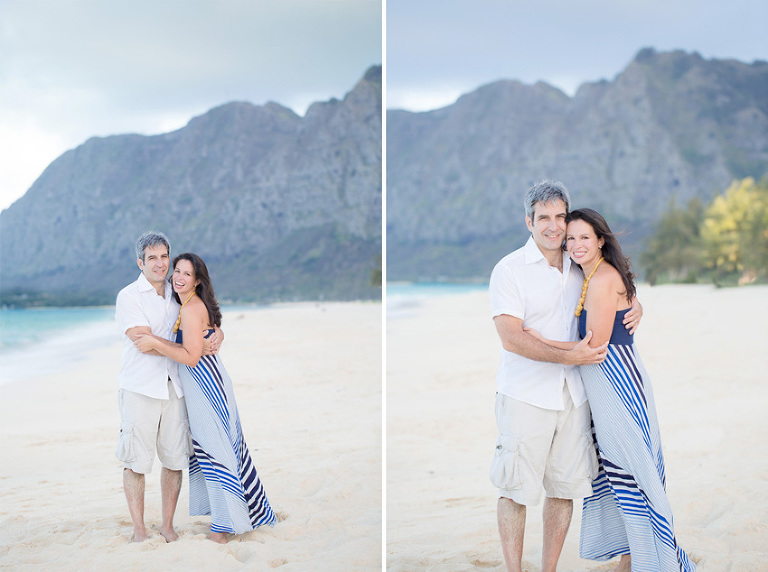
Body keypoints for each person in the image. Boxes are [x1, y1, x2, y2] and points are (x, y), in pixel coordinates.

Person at [525, 208, 695, 571]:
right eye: (570, 238)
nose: (575, 244)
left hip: (617, 384)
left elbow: (595, 345)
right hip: (604, 387)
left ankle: (654, 560)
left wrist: (541, 341)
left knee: (633, 470)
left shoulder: (602, 279)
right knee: (619, 472)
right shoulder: (589, 275)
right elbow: (620, 303)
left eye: (584, 237)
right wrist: (635, 302)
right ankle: (632, 558)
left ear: (601, 239)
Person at [488, 180, 642, 572]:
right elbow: (511, 338)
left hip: (574, 397)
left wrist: (637, 303)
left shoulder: (579, 263)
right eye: (544, 218)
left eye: (560, 216)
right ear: (529, 221)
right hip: (526, 396)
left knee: (564, 489)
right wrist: (568, 354)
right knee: (516, 491)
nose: (554, 226)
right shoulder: (510, 270)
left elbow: (614, 283)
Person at [134, 252, 276, 543]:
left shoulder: (190, 307)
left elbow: (190, 356)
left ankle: (222, 529)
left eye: (186, 274)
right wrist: (217, 332)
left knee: (216, 450)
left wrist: (154, 343)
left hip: (206, 386)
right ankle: (238, 516)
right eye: (177, 271)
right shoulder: (184, 304)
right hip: (205, 384)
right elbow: (200, 338)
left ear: (197, 281)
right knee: (218, 448)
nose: (178, 277)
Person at [115, 231, 221, 542]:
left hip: (176, 388)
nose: (160, 264)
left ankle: (168, 526)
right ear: (140, 262)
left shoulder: (179, 294)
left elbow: (203, 321)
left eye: (164, 257)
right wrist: (187, 348)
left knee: (174, 460)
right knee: (136, 461)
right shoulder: (129, 296)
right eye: (152, 258)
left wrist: (216, 333)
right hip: (140, 389)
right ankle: (138, 530)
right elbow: (142, 343)